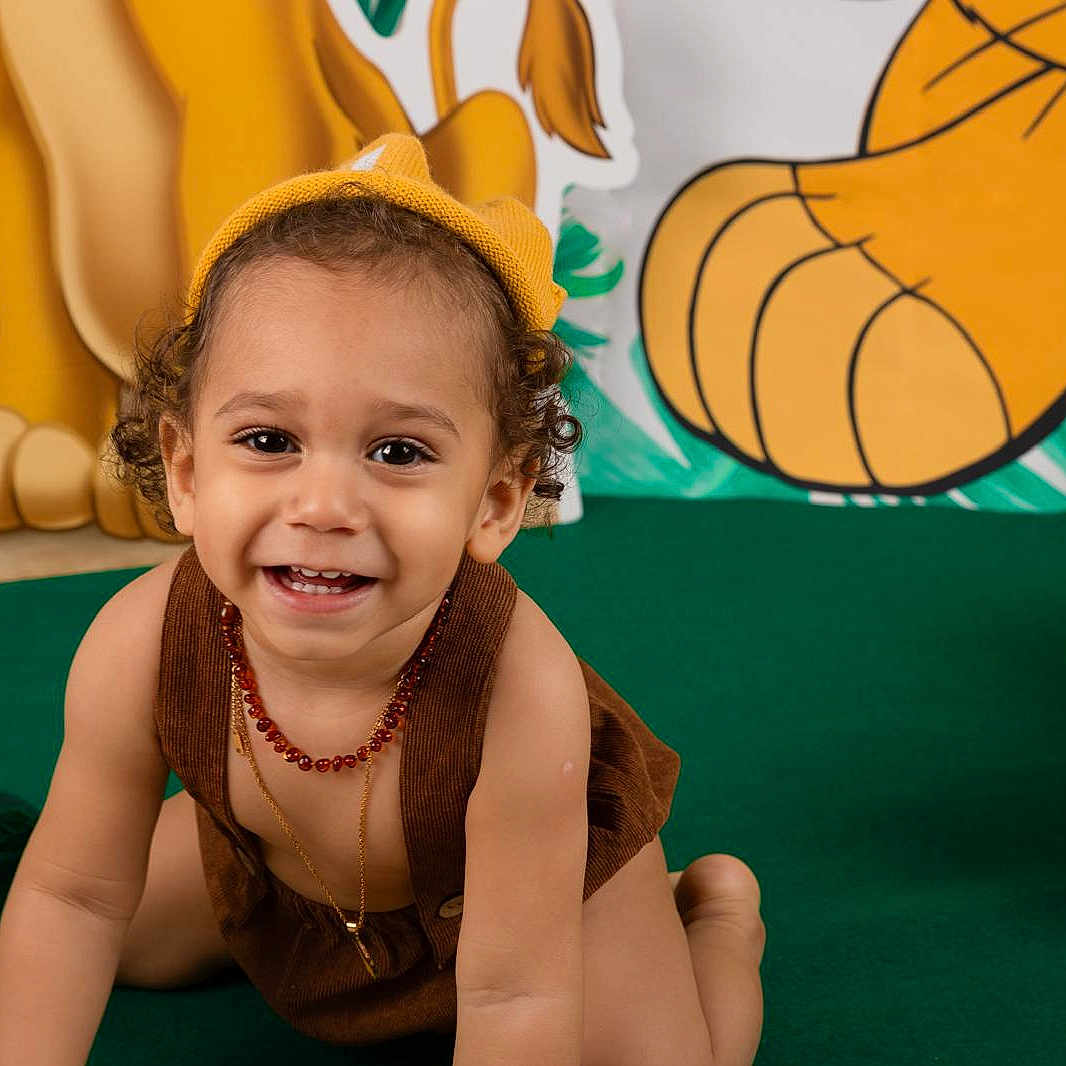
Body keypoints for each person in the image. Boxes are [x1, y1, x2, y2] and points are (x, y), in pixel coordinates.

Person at [0, 133, 764, 1066]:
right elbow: (71, 897)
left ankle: (716, 920)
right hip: (291, 886)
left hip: (538, 906)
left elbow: (516, 990)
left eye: (398, 452)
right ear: (187, 471)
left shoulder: (521, 693)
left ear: (495, 502)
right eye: (269, 441)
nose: (323, 506)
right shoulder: (141, 641)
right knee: (123, 939)